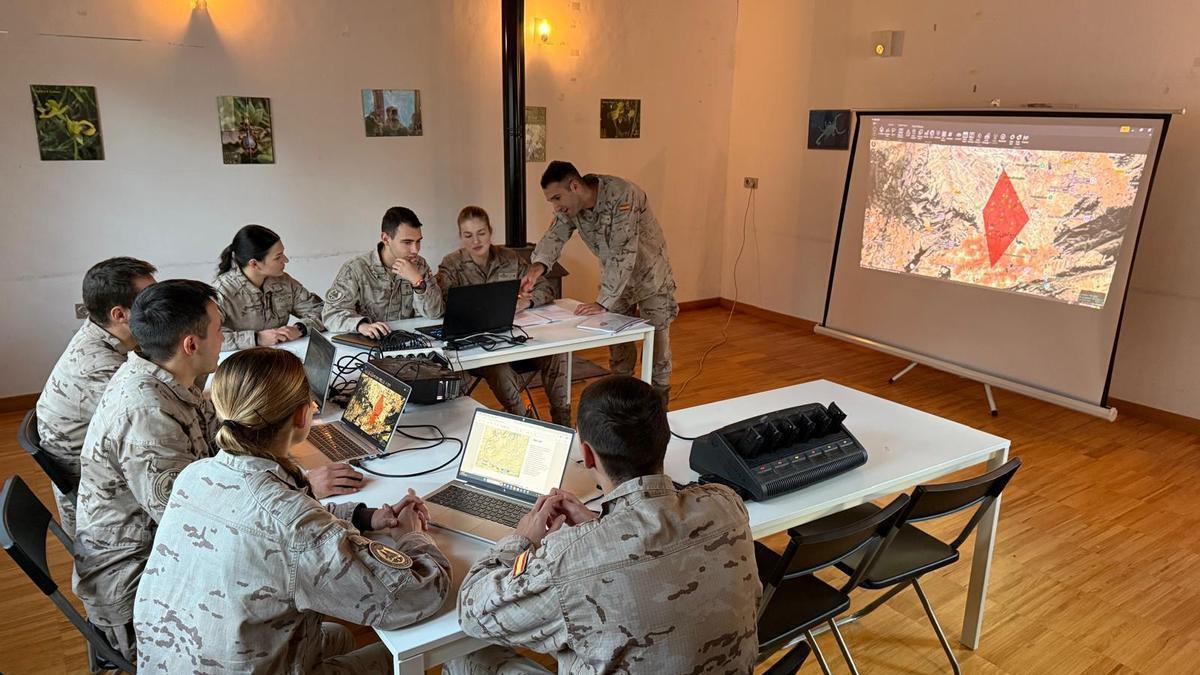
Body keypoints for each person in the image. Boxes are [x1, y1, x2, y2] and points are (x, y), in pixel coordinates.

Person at [134, 348, 451, 673]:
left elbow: (275, 523)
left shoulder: (197, 474)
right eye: (311, 403)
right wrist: (413, 536)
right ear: (302, 416)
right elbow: (418, 594)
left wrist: (364, 517)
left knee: (339, 636)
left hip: (168, 660)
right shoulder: (296, 526)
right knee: (393, 658)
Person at [450, 375, 761, 674]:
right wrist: (601, 525)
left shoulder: (566, 562)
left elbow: (472, 612)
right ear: (664, 440)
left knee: (465, 660)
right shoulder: (726, 505)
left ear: (587, 454)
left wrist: (521, 540)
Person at [72, 280, 224, 661]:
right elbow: (191, 523)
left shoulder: (167, 375)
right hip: (139, 590)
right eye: (220, 329)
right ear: (191, 345)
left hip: (156, 550)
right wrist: (293, 484)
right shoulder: (146, 413)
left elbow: (212, 440)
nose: (225, 339)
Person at [522, 161, 678, 405]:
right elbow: (555, 235)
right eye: (551, 201)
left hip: (650, 278)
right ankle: (623, 403)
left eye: (557, 198)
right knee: (619, 347)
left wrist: (602, 302)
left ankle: (659, 405)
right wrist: (538, 266)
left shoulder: (623, 195)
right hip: (616, 284)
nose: (556, 206)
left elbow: (623, 252)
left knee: (657, 345)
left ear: (574, 186)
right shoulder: (571, 209)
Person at [36, 257, 157, 537]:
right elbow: (154, 418)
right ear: (119, 315)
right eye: (150, 300)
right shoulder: (99, 367)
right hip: (105, 503)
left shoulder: (110, 335)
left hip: (111, 464)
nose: (161, 305)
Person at [437, 206, 571, 426]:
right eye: (468, 235)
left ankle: (563, 420)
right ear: (460, 236)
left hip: (516, 340)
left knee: (558, 351)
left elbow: (546, 288)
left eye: (481, 233)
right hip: (481, 348)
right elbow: (442, 306)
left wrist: (526, 302)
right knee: (497, 365)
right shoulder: (451, 264)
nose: (476, 241)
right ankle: (525, 422)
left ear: (490, 231)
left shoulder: (510, 258)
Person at [323, 206, 444, 338]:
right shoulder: (356, 268)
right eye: (407, 242)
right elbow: (331, 315)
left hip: (409, 340)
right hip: (369, 343)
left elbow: (435, 313)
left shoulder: (419, 265)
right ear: (386, 239)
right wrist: (361, 326)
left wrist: (417, 282)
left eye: (418, 241)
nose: (415, 250)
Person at [214, 224, 325, 350]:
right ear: (254, 264)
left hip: (281, 356)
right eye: (278, 257)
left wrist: (300, 328)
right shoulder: (222, 292)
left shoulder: (284, 282)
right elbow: (206, 338)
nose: (285, 260)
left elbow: (325, 312)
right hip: (241, 360)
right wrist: (256, 338)